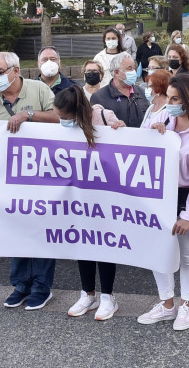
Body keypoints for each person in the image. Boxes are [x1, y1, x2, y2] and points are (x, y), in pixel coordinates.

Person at [137, 74, 189, 331]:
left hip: (186, 195)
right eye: (168, 98)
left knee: (187, 252)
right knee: (156, 250)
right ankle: (167, 303)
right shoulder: (162, 118)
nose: (169, 103)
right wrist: (152, 134)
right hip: (159, 194)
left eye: (175, 99)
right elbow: (138, 146)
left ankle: (187, 305)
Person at [0, 51, 59, 310]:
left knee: (41, 231)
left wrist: (28, 115)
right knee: (16, 230)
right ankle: (21, 285)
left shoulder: (38, 89)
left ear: (15, 70)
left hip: (42, 176)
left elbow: (60, 117)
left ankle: (41, 287)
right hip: (9, 180)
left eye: (0, 72)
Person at [56, 86, 124, 320]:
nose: (62, 122)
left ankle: (108, 296)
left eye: (65, 118)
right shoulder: (65, 124)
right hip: (79, 196)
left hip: (104, 195)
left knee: (104, 244)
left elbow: (124, 143)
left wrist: (120, 129)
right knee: (83, 242)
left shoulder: (102, 116)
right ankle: (88, 293)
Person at [90, 52, 149, 128]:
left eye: (134, 68)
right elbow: (96, 127)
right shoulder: (99, 97)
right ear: (116, 72)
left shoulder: (142, 93)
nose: (134, 72)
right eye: (129, 68)